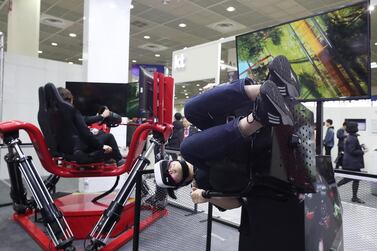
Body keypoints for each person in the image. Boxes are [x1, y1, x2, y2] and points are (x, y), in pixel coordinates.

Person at [154, 55, 299, 209]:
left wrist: (216, 90)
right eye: (169, 175)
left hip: (241, 129)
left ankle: (269, 90)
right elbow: (236, 202)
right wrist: (205, 196)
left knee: (190, 110)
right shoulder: (200, 183)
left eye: (167, 166)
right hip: (246, 158)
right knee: (187, 148)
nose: (170, 169)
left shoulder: (197, 142)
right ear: (178, 184)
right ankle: (262, 116)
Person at [57, 87, 125, 166]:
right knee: (109, 137)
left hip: (67, 153)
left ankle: (110, 159)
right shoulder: (72, 112)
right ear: (70, 99)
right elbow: (86, 135)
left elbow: (83, 120)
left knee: (100, 134)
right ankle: (119, 161)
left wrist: (100, 117)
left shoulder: (57, 114)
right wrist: (102, 146)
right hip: (79, 154)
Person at [336, 122, 365, 204]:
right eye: (356, 126)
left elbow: (351, 148)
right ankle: (333, 187)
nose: (357, 127)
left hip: (351, 163)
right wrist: (362, 151)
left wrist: (360, 146)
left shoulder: (351, 137)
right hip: (352, 163)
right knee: (350, 178)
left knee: (354, 178)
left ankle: (354, 197)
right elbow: (352, 151)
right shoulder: (352, 138)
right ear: (353, 128)